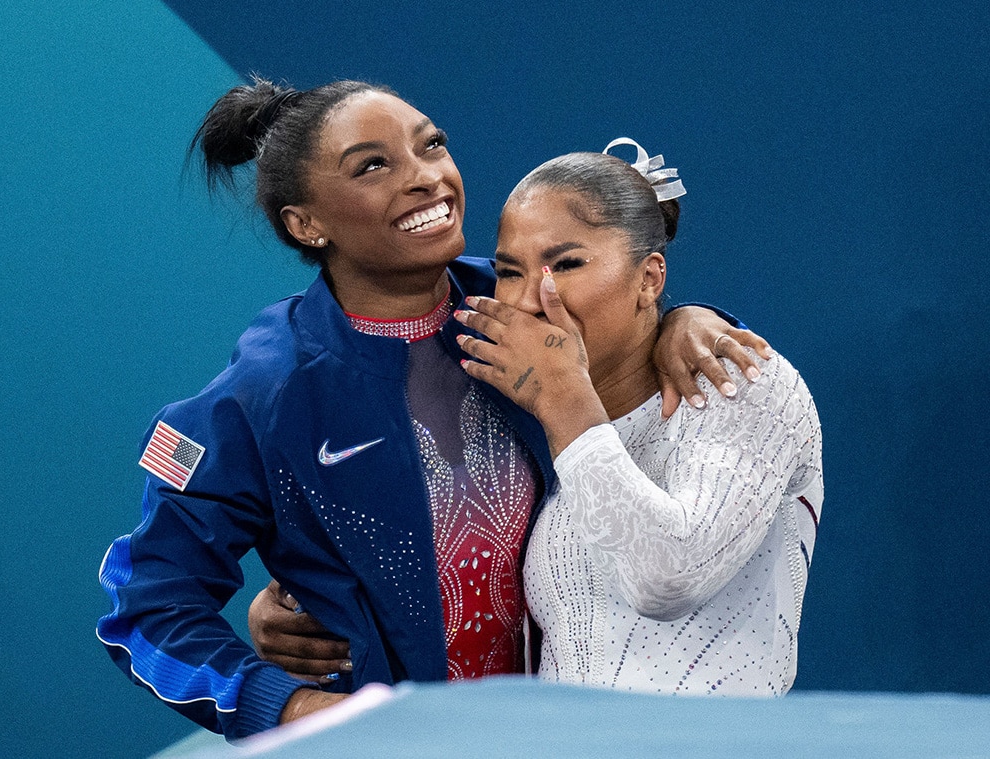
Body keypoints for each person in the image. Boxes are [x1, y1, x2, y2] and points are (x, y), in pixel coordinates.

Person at [97, 77, 769, 741]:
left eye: (432, 145)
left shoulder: (522, 302)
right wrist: (294, 706)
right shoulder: (266, 391)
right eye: (372, 166)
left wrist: (686, 321)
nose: (426, 178)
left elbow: (632, 336)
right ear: (306, 223)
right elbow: (149, 609)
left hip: (572, 735)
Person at [452, 141, 823, 694]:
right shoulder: (542, 428)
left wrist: (563, 397)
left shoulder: (738, 382)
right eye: (509, 272)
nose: (531, 300)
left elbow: (668, 578)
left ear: (650, 278)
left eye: (568, 264)